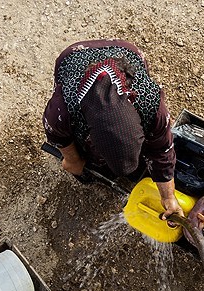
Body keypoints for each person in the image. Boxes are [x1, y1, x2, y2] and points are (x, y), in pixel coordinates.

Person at [42, 38, 184, 220]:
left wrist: (168, 196)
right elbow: (59, 138)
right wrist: (72, 160)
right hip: (74, 56)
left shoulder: (151, 104)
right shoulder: (61, 110)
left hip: (125, 52)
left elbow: (161, 149)